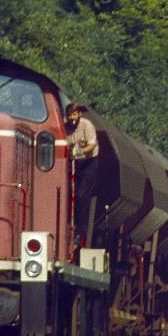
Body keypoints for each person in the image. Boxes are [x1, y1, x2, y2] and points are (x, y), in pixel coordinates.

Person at [65, 103, 99, 243]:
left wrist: (79, 151)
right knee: (67, 194)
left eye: (74, 114)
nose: (72, 118)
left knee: (82, 195)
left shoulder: (87, 125)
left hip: (88, 163)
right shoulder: (65, 127)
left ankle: (80, 231)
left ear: (79, 114)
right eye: (70, 115)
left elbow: (91, 146)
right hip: (72, 163)